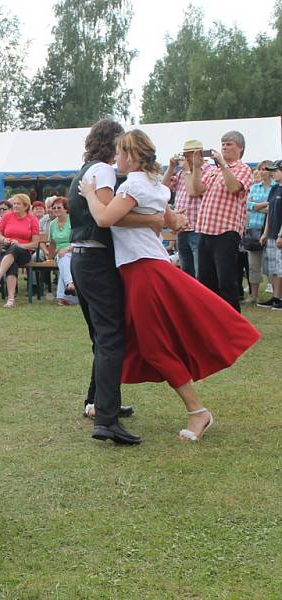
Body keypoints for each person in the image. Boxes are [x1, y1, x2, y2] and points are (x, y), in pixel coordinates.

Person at [79, 129, 260, 440]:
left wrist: (89, 193)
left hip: (144, 271)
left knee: (153, 346)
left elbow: (105, 219)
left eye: (121, 153)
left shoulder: (136, 183)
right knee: (133, 338)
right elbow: (169, 219)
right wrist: (159, 220)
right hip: (145, 267)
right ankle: (102, 402)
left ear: (133, 156)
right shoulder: (151, 183)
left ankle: (197, 412)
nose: (116, 158)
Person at [68, 117, 162, 443]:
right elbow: (110, 217)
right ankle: (105, 418)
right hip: (96, 260)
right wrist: (155, 218)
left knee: (101, 337)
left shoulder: (84, 170)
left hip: (80, 260)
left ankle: (97, 403)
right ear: (113, 145)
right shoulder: (105, 171)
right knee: (111, 338)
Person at [188, 131, 254, 312]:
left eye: (229, 144)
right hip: (206, 231)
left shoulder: (243, 169)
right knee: (206, 282)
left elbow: (234, 188)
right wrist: (195, 168)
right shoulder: (213, 171)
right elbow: (195, 191)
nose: (224, 146)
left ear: (240, 148)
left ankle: (233, 326)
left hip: (226, 232)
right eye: (223, 143)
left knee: (226, 282)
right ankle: (213, 322)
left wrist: (224, 165)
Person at [162, 140, 211, 278]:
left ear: (199, 155)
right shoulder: (182, 172)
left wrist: (188, 170)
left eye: (188, 155)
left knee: (199, 271)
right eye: (184, 155)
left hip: (198, 227)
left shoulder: (208, 170)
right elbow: (162, 189)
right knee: (186, 271)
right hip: (181, 227)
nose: (185, 158)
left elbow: (193, 192)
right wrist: (171, 167)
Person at [0, 194, 40, 308]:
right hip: (7, 250)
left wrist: (19, 244)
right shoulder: (7, 216)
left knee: (15, 248)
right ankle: (11, 300)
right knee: (12, 264)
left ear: (25, 206)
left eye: (18, 204)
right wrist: (5, 239)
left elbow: (35, 244)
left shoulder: (32, 219)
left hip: (25, 252)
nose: (15, 206)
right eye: (14, 203)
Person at [244, 160, 273, 304]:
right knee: (253, 265)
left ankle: (275, 295)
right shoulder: (254, 187)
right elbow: (247, 205)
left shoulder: (276, 188)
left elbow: (275, 208)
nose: (262, 172)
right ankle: (253, 296)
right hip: (253, 229)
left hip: (271, 229)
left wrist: (257, 207)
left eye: (265, 169)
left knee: (271, 265)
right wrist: (266, 205)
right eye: (260, 169)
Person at [258, 159, 282, 308]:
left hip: (279, 235)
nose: (272, 173)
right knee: (272, 268)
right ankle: (275, 296)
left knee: (280, 268)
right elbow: (269, 213)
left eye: (275, 171)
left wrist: (281, 234)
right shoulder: (274, 189)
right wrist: (265, 233)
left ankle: (279, 298)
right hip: (272, 233)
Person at [48, 197, 77, 306]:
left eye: (59, 207)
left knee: (64, 259)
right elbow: (52, 243)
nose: (55, 209)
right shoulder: (52, 224)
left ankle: (62, 297)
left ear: (66, 209)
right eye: (53, 207)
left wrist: (68, 249)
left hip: (75, 249)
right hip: (60, 253)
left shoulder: (73, 221)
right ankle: (70, 285)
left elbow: (79, 240)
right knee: (63, 258)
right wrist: (49, 258)